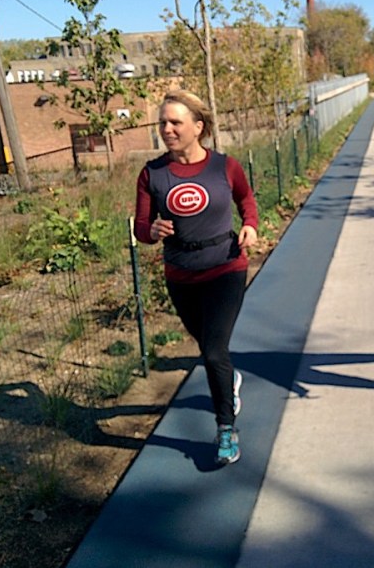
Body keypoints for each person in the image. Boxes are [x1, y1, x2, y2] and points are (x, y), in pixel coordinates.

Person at [134, 90, 258, 465]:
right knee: (210, 348)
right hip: (181, 275)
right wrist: (151, 231)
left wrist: (250, 225)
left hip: (226, 266)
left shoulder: (225, 166)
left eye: (175, 122)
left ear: (197, 127)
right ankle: (228, 382)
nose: (167, 129)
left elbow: (246, 200)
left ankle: (225, 429)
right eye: (163, 123)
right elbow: (141, 226)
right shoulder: (152, 174)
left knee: (213, 351)